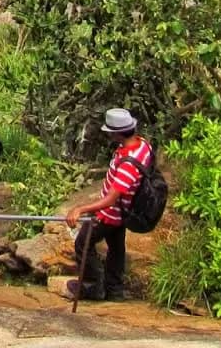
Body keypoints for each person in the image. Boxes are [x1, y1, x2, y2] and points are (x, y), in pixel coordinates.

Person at [63, 108, 155, 301]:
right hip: (125, 210)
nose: (108, 135)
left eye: (110, 132)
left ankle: (95, 286)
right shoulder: (143, 145)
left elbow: (110, 199)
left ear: (118, 133)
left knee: (83, 244)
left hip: (111, 213)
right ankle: (115, 290)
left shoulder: (129, 165)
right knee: (116, 248)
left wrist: (81, 209)